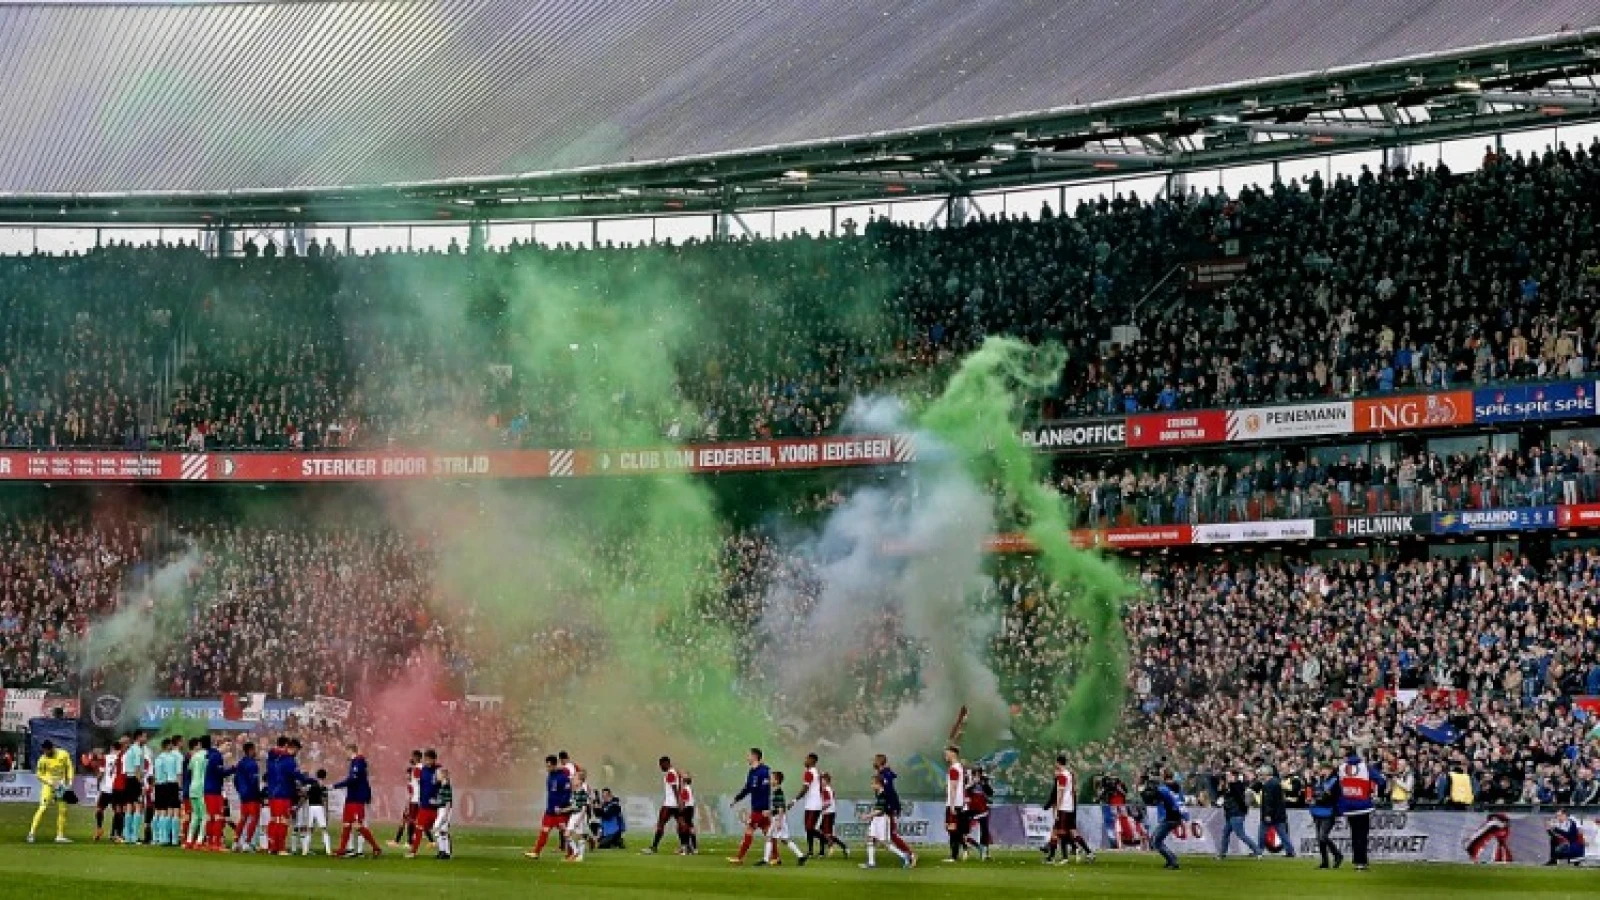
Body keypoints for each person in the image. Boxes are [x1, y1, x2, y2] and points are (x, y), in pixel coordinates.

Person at [1338, 751, 1385, 871]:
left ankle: (1356, 861)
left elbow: (1339, 786)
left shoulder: (1342, 768)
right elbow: (1381, 781)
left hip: (1349, 807)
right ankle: (1362, 862)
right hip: (1363, 806)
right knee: (1362, 835)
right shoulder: (1366, 767)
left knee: (1354, 835)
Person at [1043, 754, 1094, 864]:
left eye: (1055, 762)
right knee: (1064, 831)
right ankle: (1088, 852)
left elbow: (1060, 793)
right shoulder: (1070, 774)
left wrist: (1057, 809)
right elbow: (1073, 789)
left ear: (1058, 763)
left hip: (1064, 808)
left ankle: (1065, 857)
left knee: (1061, 832)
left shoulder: (1062, 776)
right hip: (1070, 806)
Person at [333, 743, 381, 858]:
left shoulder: (359, 762)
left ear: (351, 750)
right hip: (351, 798)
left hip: (357, 799)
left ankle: (376, 848)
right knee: (346, 824)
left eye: (346, 751)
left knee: (357, 825)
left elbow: (352, 780)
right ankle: (342, 849)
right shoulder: (354, 762)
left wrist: (336, 785)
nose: (345, 754)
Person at [729, 748, 773, 865]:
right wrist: (736, 799)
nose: (747, 757)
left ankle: (739, 858)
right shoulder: (752, 772)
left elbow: (766, 791)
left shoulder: (764, 771)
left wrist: (766, 808)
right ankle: (776, 857)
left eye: (748, 755)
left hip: (760, 809)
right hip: (757, 808)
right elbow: (747, 788)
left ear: (754, 756)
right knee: (768, 832)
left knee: (749, 830)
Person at [26, 739, 74, 844]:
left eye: (47, 750)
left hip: (61, 786)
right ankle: (31, 833)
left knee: (62, 810)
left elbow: (69, 767)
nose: (46, 752)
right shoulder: (42, 759)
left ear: (52, 748)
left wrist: (69, 780)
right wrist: (48, 781)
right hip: (48, 786)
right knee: (42, 808)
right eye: (44, 750)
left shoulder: (63, 754)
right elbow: (39, 774)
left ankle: (60, 836)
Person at [859, 775, 911, 869]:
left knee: (885, 843)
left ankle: (904, 856)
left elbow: (880, 811)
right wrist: (871, 817)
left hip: (883, 820)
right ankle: (871, 863)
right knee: (870, 838)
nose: (871, 785)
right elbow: (877, 809)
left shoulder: (883, 794)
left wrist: (867, 816)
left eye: (873, 783)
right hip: (876, 820)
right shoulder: (879, 793)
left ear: (878, 784)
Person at [525, 755, 571, 860]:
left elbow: (567, 793)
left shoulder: (563, 777)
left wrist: (560, 806)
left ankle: (571, 853)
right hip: (550, 811)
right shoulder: (550, 775)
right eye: (547, 766)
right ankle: (536, 852)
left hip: (560, 811)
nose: (548, 768)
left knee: (566, 833)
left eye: (549, 766)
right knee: (544, 831)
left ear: (554, 765)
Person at [872, 754, 916, 866]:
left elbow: (889, 793)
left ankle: (910, 854)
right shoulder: (884, 774)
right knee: (887, 835)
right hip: (888, 807)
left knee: (892, 834)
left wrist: (890, 807)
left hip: (889, 808)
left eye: (875, 760)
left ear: (879, 762)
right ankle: (871, 860)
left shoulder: (885, 775)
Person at [762, 770, 808, 866]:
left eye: (772, 778)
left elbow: (781, 808)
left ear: (777, 780)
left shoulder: (778, 792)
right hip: (780, 818)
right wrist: (770, 812)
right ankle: (801, 856)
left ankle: (765, 860)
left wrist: (778, 821)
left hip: (778, 819)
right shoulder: (776, 791)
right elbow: (779, 808)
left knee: (769, 837)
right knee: (784, 839)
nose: (770, 780)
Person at [1143, 770, 1186, 870]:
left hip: (1170, 818)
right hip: (1175, 817)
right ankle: (1171, 858)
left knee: (1156, 841)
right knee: (1156, 839)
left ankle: (1173, 861)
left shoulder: (1164, 789)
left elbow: (1153, 797)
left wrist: (1149, 786)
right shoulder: (1174, 788)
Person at [1217, 767, 1262, 859]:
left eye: (1229, 775)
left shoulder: (1236, 785)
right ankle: (1222, 854)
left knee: (1240, 834)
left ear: (1234, 776)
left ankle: (1257, 851)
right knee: (1226, 833)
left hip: (1236, 814)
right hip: (1231, 814)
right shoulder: (1232, 785)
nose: (1227, 777)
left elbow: (1240, 800)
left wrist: (1243, 810)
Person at [645, 755, 684, 855]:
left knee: (661, 824)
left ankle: (654, 847)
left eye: (661, 765)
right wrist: (680, 802)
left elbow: (674, 788)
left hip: (670, 804)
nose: (660, 767)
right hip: (675, 804)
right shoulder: (676, 772)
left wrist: (678, 801)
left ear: (666, 763)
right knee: (681, 824)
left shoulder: (670, 774)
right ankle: (685, 846)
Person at [1255, 765, 1294, 858]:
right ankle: (1290, 851)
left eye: (1261, 774)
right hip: (1279, 814)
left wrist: (1268, 814)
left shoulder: (1268, 784)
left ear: (1266, 774)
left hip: (1271, 815)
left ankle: (1259, 851)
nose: (1260, 776)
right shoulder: (1276, 782)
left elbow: (1269, 801)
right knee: (1283, 834)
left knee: (1262, 833)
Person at [1310, 763, 1343, 869]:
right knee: (1320, 838)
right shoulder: (1321, 780)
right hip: (1318, 811)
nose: (1321, 771)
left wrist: (1319, 796)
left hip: (1329, 811)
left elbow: (1327, 796)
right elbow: (1315, 793)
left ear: (1329, 769)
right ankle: (1325, 862)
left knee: (1323, 836)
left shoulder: (1335, 780)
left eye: (1322, 769)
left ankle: (1337, 855)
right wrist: (1319, 795)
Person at [408, 749, 441, 859]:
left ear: (434, 759)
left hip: (436, 807)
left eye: (428, 759)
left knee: (439, 830)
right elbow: (419, 785)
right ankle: (413, 852)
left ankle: (444, 851)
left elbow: (443, 786)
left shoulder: (439, 770)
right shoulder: (423, 770)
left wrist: (438, 799)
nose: (426, 761)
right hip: (424, 806)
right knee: (419, 829)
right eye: (425, 759)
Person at [232, 741, 263, 852]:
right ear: (250, 750)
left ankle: (235, 843)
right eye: (255, 749)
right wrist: (258, 794)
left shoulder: (240, 763)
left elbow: (235, 780)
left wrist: (240, 790)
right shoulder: (253, 764)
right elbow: (254, 781)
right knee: (254, 819)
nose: (256, 751)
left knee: (243, 819)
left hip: (243, 796)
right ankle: (247, 843)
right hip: (252, 795)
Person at [119, 731, 149, 844]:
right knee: (138, 806)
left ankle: (127, 835)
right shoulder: (137, 750)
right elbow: (137, 768)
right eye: (145, 736)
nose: (146, 738)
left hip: (128, 779)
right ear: (139, 737)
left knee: (129, 806)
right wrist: (140, 781)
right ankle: (135, 836)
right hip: (134, 779)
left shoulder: (130, 749)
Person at [392, 749, 423, 849]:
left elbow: (419, 783)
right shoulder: (417, 769)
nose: (412, 758)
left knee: (411, 820)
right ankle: (401, 841)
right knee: (409, 819)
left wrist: (413, 797)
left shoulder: (418, 769)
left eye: (413, 756)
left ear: (417, 757)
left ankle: (409, 842)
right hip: (414, 799)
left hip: (415, 799)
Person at [298, 769, 332, 856]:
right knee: (323, 828)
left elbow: (305, 797)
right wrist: (326, 811)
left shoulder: (312, 785)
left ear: (317, 775)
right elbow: (325, 799)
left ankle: (305, 851)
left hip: (311, 807)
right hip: (319, 807)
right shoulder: (323, 787)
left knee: (309, 829)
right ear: (325, 776)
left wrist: (298, 807)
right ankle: (328, 851)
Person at [943, 745, 967, 863]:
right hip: (958, 802)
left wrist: (951, 805)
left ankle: (954, 855)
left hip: (954, 803)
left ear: (953, 754)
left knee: (952, 829)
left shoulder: (954, 769)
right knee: (952, 828)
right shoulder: (959, 767)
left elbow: (953, 787)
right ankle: (960, 849)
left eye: (946, 753)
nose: (945, 756)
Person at [799, 752, 824, 857]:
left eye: (807, 759)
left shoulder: (810, 773)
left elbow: (805, 788)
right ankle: (810, 851)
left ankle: (828, 840)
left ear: (812, 761)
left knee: (810, 828)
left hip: (814, 804)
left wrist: (795, 800)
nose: (805, 761)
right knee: (808, 828)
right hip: (810, 803)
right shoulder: (815, 772)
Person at [183, 738, 207, 849]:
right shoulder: (206, 756)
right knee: (204, 816)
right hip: (202, 788)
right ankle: (199, 841)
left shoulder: (194, 756)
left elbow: (189, 769)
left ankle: (188, 840)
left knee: (195, 816)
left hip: (193, 788)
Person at [818, 772, 849, 857]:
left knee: (827, 833)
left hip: (828, 813)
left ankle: (832, 847)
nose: (820, 782)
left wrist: (820, 809)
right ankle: (823, 851)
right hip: (829, 812)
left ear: (826, 780)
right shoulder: (830, 789)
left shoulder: (826, 790)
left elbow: (828, 803)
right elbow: (832, 800)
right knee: (822, 832)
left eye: (822, 780)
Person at [564, 767, 590, 862]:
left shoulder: (583, 793)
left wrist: (579, 820)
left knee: (580, 836)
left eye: (575, 778)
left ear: (580, 781)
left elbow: (584, 808)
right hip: (574, 815)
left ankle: (580, 856)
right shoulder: (574, 792)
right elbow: (573, 806)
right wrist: (562, 810)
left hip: (580, 815)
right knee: (567, 834)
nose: (573, 780)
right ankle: (576, 853)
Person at [434, 768, 454, 860]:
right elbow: (442, 799)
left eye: (438, 774)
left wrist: (446, 814)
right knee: (442, 831)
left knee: (438, 829)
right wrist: (435, 802)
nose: (436, 776)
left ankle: (444, 852)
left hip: (445, 810)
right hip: (441, 810)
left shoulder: (446, 785)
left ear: (443, 775)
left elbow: (448, 802)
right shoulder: (442, 785)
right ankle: (444, 852)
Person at [678, 773, 699, 855]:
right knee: (690, 827)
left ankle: (686, 848)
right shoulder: (688, 788)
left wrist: (681, 810)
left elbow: (684, 800)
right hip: (690, 808)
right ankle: (693, 848)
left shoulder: (686, 789)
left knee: (685, 828)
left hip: (687, 808)